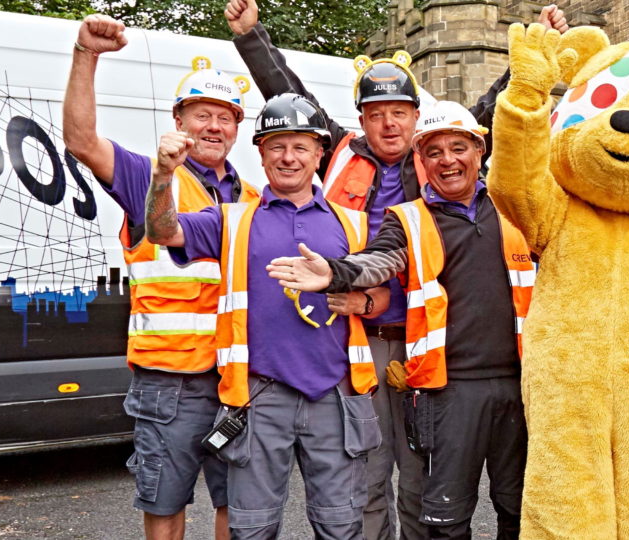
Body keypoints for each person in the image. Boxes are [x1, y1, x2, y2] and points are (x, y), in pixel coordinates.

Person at [223, 2, 565, 538]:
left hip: (427, 340)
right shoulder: (336, 152)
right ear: (360, 120)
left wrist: (535, 50)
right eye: (376, 112)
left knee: (422, 475)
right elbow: (291, 101)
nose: (388, 122)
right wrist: (251, 37)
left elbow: (491, 111)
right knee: (366, 471)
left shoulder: (439, 158)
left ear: (416, 118)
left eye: (400, 111)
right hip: (362, 338)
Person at [266, 102, 534, 540]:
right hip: (450, 391)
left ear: (479, 151)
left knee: (520, 506)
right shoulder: (408, 219)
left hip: (520, 384)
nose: (447, 160)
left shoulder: (516, 208)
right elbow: (379, 260)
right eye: (434, 152)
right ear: (421, 161)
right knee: (446, 518)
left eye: (458, 148)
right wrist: (336, 272)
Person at [145, 93, 381, 539]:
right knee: (251, 528)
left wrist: (363, 304)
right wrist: (163, 175)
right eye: (277, 146)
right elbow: (162, 231)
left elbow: (381, 297)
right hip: (260, 397)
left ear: (319, 154)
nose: (288, 157)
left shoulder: (355, 223)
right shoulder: (231, 219)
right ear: (261, 152)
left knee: (342, 525)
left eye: (300, 146)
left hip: (334, 394)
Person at [61, 14, 260, 540]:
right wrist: (87, 55)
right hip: (170, 384)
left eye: (226, 116)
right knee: (166, 504)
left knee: (237, 507)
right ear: (178, 120)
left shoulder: (255, 200)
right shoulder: (147, 176)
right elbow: (81, 140)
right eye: (202, 114)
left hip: (237, 381)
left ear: (238, 128)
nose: (214, 126)